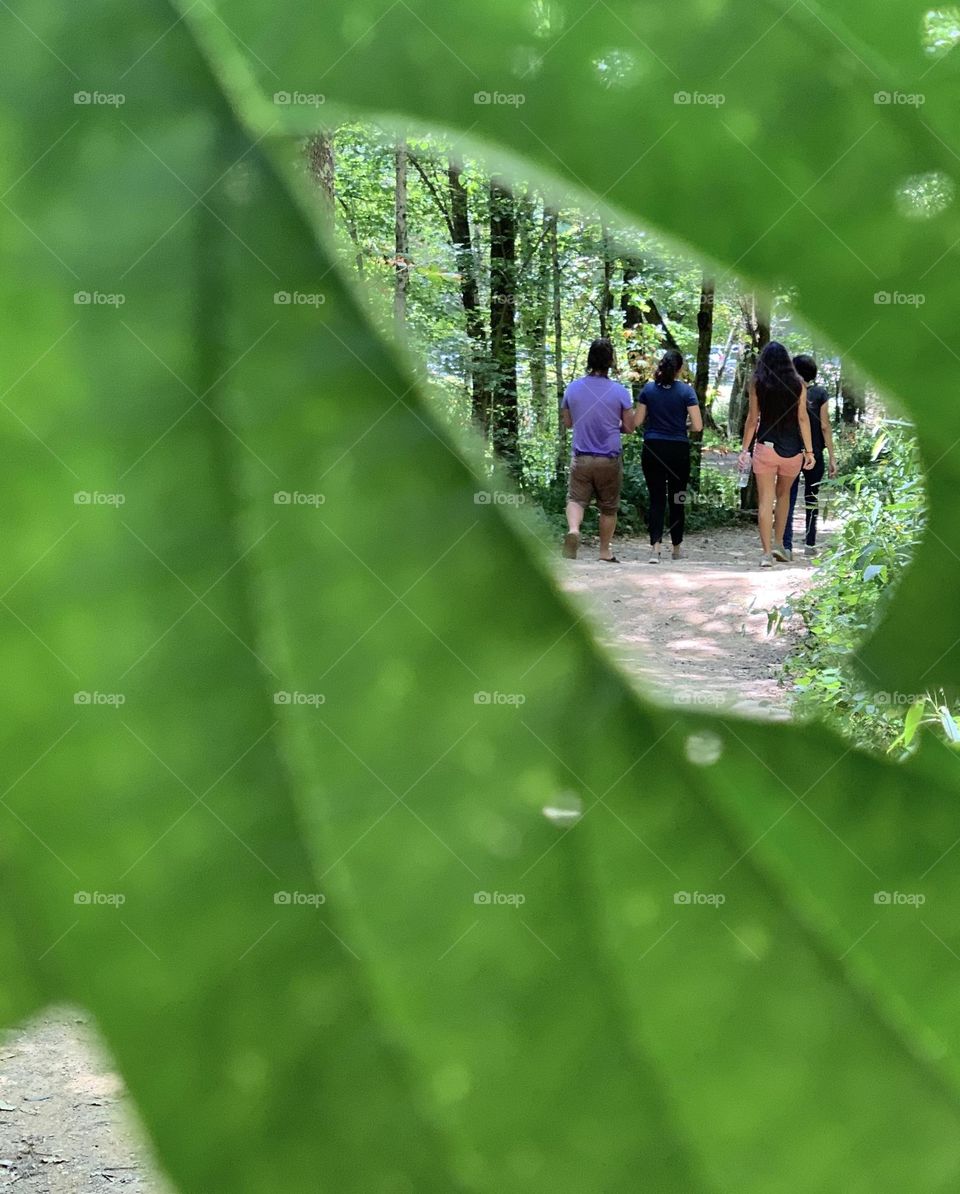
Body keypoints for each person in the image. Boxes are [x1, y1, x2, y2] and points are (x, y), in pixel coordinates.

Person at [738, 341, 814, 568]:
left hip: (766, 449)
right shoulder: (799, 384)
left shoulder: (757, 383)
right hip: (792, 453)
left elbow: (753, 419)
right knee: (784, 498)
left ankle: (766, 554)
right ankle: (780, 544)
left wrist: (744, 449)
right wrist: (809, 451)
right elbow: (803, 418)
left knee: (765, 501)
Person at [561, 338, 635, 562]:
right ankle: (604, 551)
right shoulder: (619, 391)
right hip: (608, 458)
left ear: (589, 360)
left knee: (576, 499)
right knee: (609, 507)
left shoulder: (573, 388)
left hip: (581, 457)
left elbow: (568, 423)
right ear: (610, 361)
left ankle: (574, 530)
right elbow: (630, 427)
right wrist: (614, 424)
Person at [636, 349, 703, 563]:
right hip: (678, 449)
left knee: (656, 498)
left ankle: (655, 549)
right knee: (677, 498)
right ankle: (676, 548)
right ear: (680, 369)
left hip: (653, 447)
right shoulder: (686, 392)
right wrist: (682, 424)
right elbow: (698, 425)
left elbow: (637, 421)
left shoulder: (648, 389)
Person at [781, 354, 837, 559]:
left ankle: (785, 545)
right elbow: (824, 426)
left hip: (791, 451)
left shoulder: (788, 392)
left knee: (788, 496)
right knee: (811, 498)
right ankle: (809, 544)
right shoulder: (820, 393)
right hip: (815, 453)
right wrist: (832, 457)